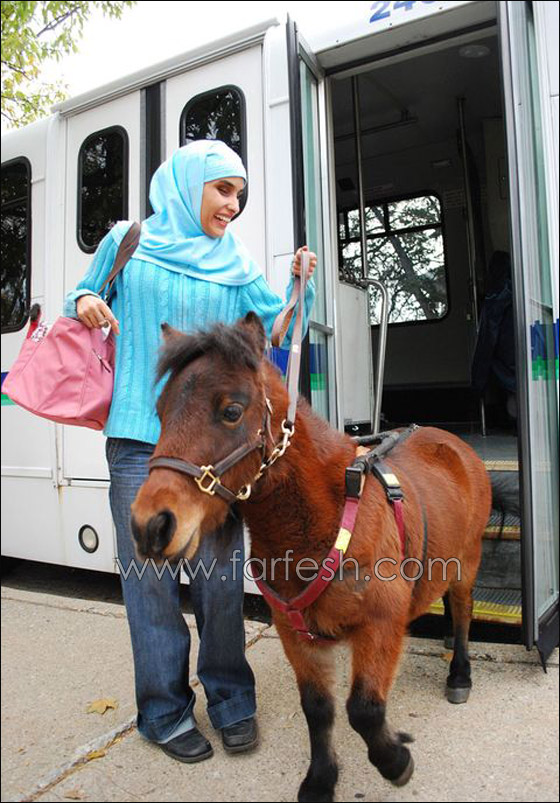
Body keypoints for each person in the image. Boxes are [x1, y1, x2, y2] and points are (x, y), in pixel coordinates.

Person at [63, 140, 316, 763]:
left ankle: (231, 699)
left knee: (220, 581)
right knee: (149, 582)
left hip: (210, 450)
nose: (233, 204)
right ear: (187, 182)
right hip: (138, 440)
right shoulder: (129, 240)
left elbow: (277, 328)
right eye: (222, 189)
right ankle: (163, 712)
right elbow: (82, 297)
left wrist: (297, 285)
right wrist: (87, 302)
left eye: (240, 194)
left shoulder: (236, 262)